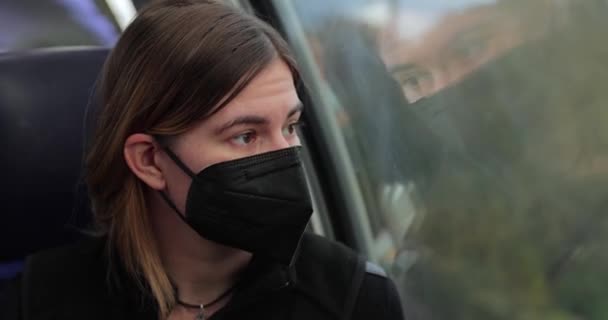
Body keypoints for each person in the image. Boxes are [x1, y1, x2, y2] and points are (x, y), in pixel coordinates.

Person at [1, 1, 404, 319]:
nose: (285, 156)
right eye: (246, 136)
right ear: (150, 161)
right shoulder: (35, 303)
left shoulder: (353, 299)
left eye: (291, 126)